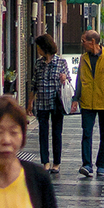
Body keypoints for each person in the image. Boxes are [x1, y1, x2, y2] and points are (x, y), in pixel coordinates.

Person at [76, 29, 104, 178]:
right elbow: (79, 80)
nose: (82, 44)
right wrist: (75, 98)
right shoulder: (83, 59)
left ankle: (101, 165)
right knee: (86, 133)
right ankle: (87, 165)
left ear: (92, 42)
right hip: (87, 101)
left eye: (84, 41)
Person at [30, 34, 68, 173]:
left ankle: (56, 163)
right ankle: (45, 162)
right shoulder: (38, 63)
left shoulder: (61, 62)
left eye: (39, 47)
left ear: (44, 47)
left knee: (57, 133)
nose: (38, 50)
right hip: (41, 102)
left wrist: (64, 79)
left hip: (56, 102)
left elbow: (68, 81)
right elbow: (34, 84)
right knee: (43, 133)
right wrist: (30, 102)